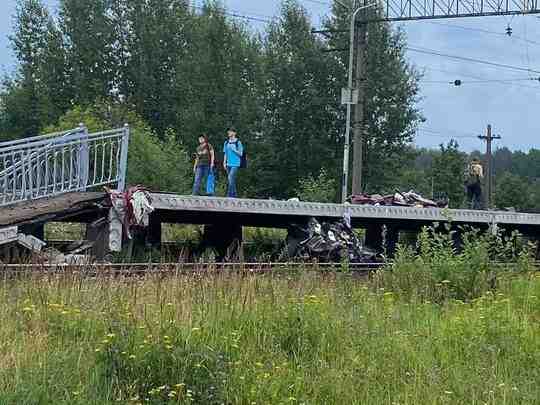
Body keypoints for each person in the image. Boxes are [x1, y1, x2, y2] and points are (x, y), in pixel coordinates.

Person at [223, 128, 243, 198]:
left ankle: (229, 195)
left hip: (236, 163)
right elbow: (225, 153)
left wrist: (234, 150)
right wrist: (224, 162)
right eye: (228, 132)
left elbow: (241, 154)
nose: (229, 133)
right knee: (231, 180)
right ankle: (234, 195)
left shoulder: (238, 142)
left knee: (230, 178)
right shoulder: (226, 142)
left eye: (230, 132)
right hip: (228, 163)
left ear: (234, 133)